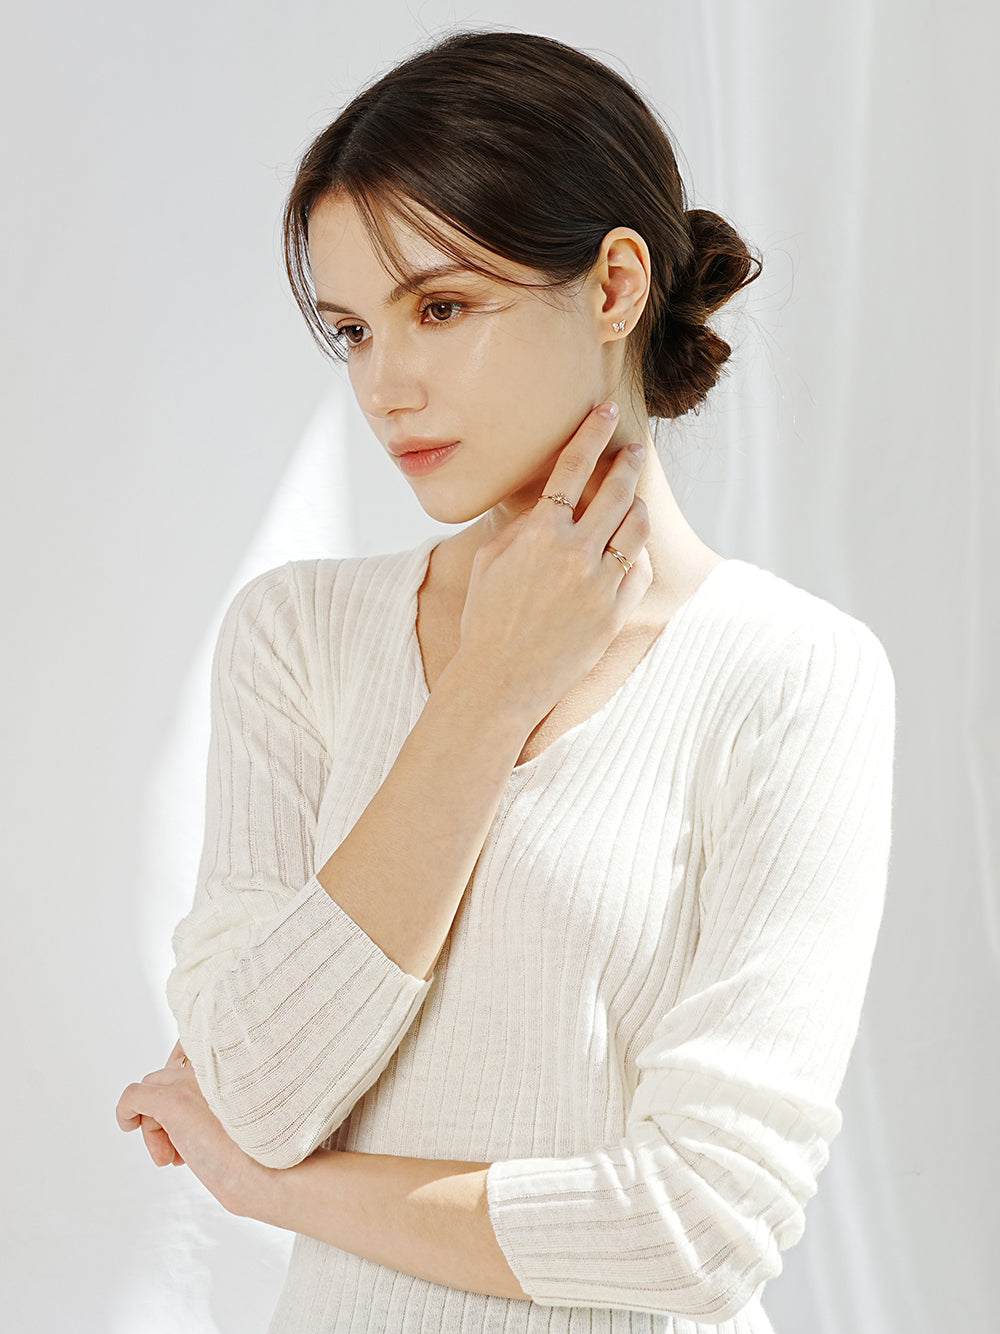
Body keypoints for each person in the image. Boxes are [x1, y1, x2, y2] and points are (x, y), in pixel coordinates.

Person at [116, 30, 895, 1334]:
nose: (384, 384)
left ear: (614, 285)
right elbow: (255, 1087)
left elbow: (701, 1227)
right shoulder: (299, 636)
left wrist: (276, 1186)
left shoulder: (791, 676)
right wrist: (486, 693)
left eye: (440, 308)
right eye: (352, 330)